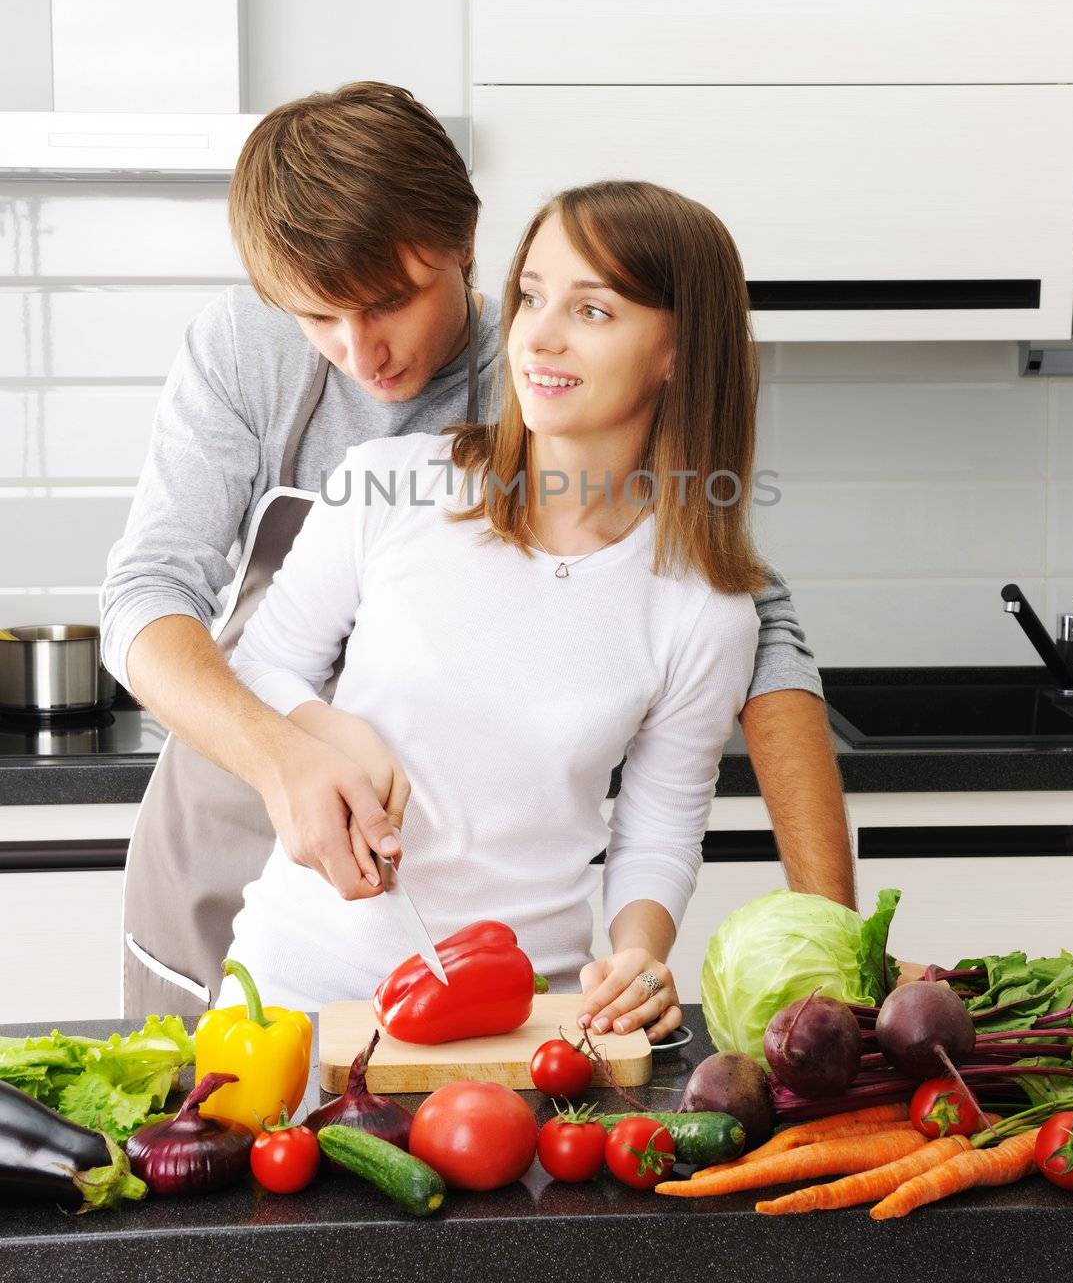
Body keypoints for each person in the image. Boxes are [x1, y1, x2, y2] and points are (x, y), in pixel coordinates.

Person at [101, 81, 854, 1024]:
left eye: (388, 303)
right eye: (313, 317)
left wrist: (829, 934)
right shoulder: (243, 354)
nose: (357, 353)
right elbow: (146, 588)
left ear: (464, 247)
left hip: (465, 923)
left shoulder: (545, 367)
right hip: (231, 816)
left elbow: (731, 607)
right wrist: (284, 757)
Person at [217, 180, 766, 1035]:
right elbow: (259, 663)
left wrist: (637, 957)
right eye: (531, 297)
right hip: (300, 994)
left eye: (592, 310)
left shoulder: (704, 609)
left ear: (678, 351)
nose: (536, 336)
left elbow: (658, 827)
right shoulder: (389, 484)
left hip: (519, 1013)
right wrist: (328, 730)